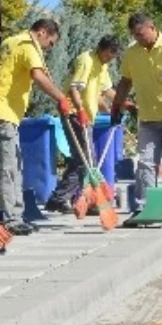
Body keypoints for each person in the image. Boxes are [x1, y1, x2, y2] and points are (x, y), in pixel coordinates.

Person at [0, 18, 72, 234]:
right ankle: (8, 218)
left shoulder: (12, 42)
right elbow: (38, 75)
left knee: (15, 165)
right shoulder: (27, 46)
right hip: (0, 111)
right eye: (50, 43)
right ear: (42, 32)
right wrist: (61, 98)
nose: (49, 49)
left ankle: (16, 215)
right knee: (7, 168)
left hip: (4, 112)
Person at [111, 13, 162, 224]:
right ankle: (144, 208)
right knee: (146, 162)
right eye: (134, 35)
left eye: (141, 34)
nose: (138, 39)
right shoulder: (132, 52)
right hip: (148, 114)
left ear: (152, 27)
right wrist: (117, 105)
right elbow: (125, 81)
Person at [46, 35, 121, 213]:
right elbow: (74, 88)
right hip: (73, 113)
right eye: (109, 55)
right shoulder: (86, 61)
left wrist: (120, 105)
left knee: (82, 160)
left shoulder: (102, 65)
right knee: (87, 160)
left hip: (87, 115)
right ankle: (90, 200)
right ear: (102, 50)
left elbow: (105, 90)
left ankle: (59, 198)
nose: (111, 59)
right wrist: (79, 110)